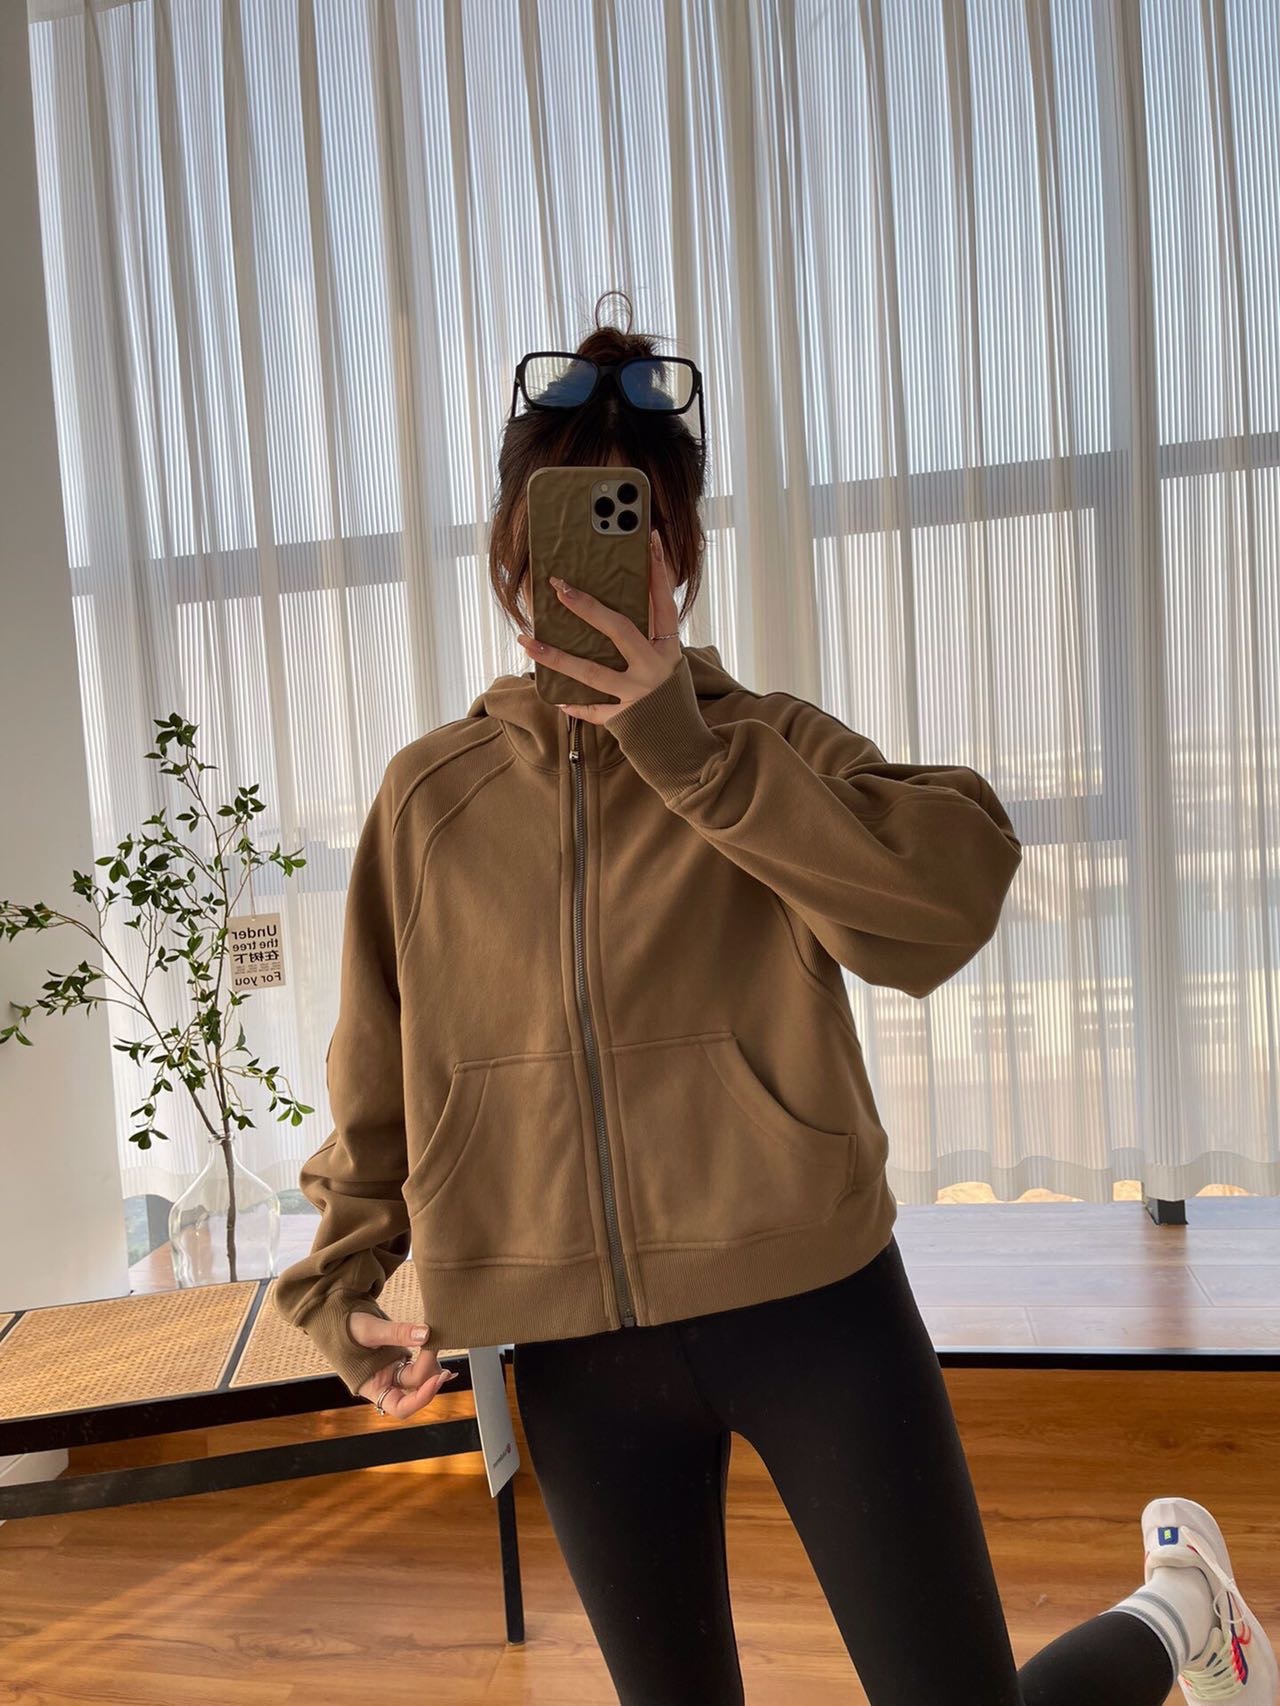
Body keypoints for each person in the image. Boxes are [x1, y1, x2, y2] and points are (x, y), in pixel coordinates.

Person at [274, 292, 1277, 1705]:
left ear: (677, 549)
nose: (594, 569)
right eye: (563, 525)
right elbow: (376, 1081)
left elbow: (947, 901)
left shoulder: (765, 750)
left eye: (633, 524)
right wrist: (341, 1285)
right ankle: (1185, 1605)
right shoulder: (429, 801)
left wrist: (691, 756)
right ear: (512, 551)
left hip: (813, 1309)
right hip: (572, 1352)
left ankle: (1183, 1609)